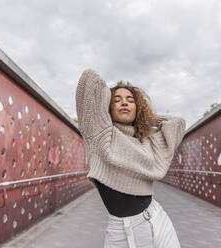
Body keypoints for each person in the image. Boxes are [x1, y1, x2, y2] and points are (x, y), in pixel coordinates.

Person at [75, 69, 185, 248]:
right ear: (107, 106)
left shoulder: (147, 143)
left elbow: (177, 124)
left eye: (130, 100)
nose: (124, 102)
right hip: (122, 232)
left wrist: (145, 117)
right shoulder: (101, 135)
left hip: (158, 219)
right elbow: (91, 79)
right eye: (117, 100)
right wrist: (112, 101)